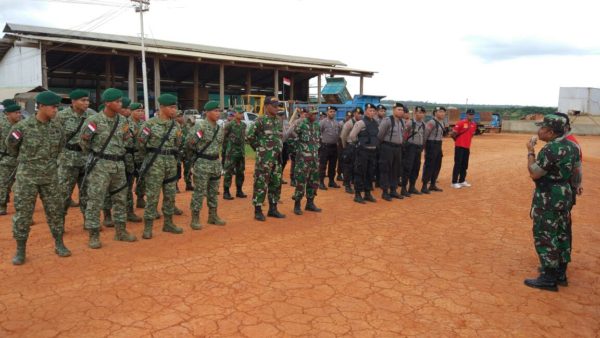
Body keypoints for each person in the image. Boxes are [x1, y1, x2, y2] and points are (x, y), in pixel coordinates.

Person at [6, 91, 71, 264]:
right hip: (27, 177)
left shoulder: (57, 127)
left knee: (55, 211)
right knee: (24, 214)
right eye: (53, 106)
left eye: (57, 107)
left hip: (50, 176)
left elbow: (60, 147)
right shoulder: (22, 127)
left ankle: (59, 243)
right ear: (41, 106)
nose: (56, 110)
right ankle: (20, 250)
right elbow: (12, 147)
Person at [524, 114, 582, 291]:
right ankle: (560, 273)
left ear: (550, 131)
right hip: (565, 193)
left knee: (545, 233)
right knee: (562, 231)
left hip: (549, 195)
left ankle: (548, 277)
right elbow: (576, 172)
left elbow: (535, 173)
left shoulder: (550, 149)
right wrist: (574, 189)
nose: (538, 130)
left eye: (541, 128)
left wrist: (530, 151)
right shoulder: (573, 146)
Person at [79, 88, 137, 248]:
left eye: (120, 101)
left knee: (120, 199)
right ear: (107, 103)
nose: (120, 104)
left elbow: (127, 140)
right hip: (100, 165)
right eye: (117, 101)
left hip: (119, 165)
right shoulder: (94, 121)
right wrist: (98, 155)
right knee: (95, 200)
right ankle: (94, 235)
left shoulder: (123, 121)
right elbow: (84, 142)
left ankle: (121, 231)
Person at [137, 93, 184, 239]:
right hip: (155, 162)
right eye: (171, 107)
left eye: (175, 107)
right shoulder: (149, 124)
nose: (174, 110)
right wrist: (152, 156)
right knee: (153, 195)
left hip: (170, 161)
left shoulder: (176, 125)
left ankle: (168, 223)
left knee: (170, 194)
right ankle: (148, 227)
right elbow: (140, 144)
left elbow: (178, 143)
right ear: (162, 107)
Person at [56, 89, 95, 217]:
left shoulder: (92, 115)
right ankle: (59, 222)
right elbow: (54, 137)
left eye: (88, 100)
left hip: (87, 159)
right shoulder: (61, 116)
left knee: (88, 192)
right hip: (68, 159)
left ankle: (89, 221)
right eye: (83, 100)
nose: (86, 103)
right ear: (73, 102)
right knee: (63, 193)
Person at [188, 101, 226, 229]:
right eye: (215, 111)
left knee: (213, 191)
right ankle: (195, 218)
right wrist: (196, 159)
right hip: (203, 163)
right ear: (207, 112)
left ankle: (213, 216)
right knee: (199, 191)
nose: (218, 113)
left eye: (219, 111)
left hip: (215, 163)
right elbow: (190, 144)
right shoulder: (200, 127)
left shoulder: (220, 129)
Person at [247, 96, 285, 221]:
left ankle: (273, 209)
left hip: (277, 158)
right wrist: (259, 149)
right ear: (267, 106)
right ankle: (258, 210)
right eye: (274, 105)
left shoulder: (278, 120)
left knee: (276, 183)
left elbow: (280, 137)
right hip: (264, 160)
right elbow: (249, 136)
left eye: (277, 105)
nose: (276, 108)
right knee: (261, 183)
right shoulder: (260, 120)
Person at [289, 108, 322, 215]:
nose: (315, 116)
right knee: (301, 181)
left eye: (316, 114)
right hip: (303, 159)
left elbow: (318, 140)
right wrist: (297, 150)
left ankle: (310, 203)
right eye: (313, 114)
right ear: (308, 114)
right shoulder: (301, 124)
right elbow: (291, 137)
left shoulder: (317, 125)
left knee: (313, 181)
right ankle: (297, 205)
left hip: (314, 158)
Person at [348, 103, 379, 203]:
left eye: (374, 111)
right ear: (365, 111)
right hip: (363, 151)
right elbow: (352, 136)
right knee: (360, 172)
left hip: (372, 151)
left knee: (370, 173)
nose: (372, 113)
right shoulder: (361, 123)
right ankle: (357, 194)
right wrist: (358, 144)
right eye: (370, 111)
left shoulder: (375, 122)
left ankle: (367, 193)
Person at [377, 102, 405, 201]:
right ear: (393, 110)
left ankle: (393, 190)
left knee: (396, 170)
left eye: (402, 110)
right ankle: (385, 192)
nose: (401, 112)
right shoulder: (387, 121)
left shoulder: (402, 122)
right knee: (386, 169)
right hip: (387, 148)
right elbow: (380, 135)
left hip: (398, 149)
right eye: (399, 109)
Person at [0, 103, 21, 215]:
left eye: (19, 112)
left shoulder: (22, 125)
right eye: (16, 113)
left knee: (21, 186)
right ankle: (2, 205)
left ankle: (22, 211)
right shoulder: (2, 125)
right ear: (8, 114)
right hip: (5, 160)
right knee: (3, 184)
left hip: (20, 161)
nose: (19, 115)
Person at [222, 106, 247, 200]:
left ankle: (239, 191)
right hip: (231, 153)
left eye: (242, 113)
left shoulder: (243, 125)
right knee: (228, 172)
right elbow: (224, 138)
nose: (241, 115)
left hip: (241, 152)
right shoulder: (229, 125)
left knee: (240, 172)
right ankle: (226, 191)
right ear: (235, 113)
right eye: (239, 113)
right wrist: (225, 151)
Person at [401, 106, 426, 197]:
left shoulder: (423, 124)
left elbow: (424, 137)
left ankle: (412, 187)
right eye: (418, 112)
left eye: (422, 113)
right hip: (410, 148)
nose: (420, 114)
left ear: (424, 114)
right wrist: (404, 146)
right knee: (407, 168)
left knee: (416, 168)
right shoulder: (410, 123)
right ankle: (403, 188)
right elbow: (404, 135)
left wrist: (422, 147)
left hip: (418, 148)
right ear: (415, 113)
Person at [421, 106, 446, 193]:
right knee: (429, 165)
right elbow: (425, 135)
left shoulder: (442, 122)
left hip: (438, 144)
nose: (442, 113)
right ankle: (424, 186)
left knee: (437, 165)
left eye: (443, 112)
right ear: (435, 113)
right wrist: (424, 147)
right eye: (440, 112)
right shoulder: (432, 122)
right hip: (431, 144)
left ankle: (432, 184)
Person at [450, 109, 477, 189]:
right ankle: (454, 182)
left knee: (465, 165)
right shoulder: (461, 123)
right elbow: (453, 134)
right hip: (459, 147)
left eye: (472, 114)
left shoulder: (474, 124)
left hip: (467, 147)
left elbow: (471, 135)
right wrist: (457, 141)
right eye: (469, 114)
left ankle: (462, 180)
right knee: (458, 164)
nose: (470, 116)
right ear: (466, 114)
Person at [340, 108, 362, 194]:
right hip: (350, 146)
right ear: (354, 114)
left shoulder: (360, 123)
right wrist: (345, 147)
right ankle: (347, 185)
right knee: (348, 167)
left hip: (357, 147)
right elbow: (343, 136)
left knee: (355, 166)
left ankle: (352, 182)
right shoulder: (348, 124)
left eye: (360, 114)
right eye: (358, 113)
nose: (359, 115)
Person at [318, 106, 341, 190]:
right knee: (323, 165)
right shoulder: (322, 122)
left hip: (334, 146)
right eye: (331, 111)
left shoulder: (336, 123)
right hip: (325, 146)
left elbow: (339, 133)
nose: (332, 113)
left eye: (334, 112)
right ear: (327, 112)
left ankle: (331, 181)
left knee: (333, 165)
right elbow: (318, 133)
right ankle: (321, 182)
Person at [129, 103, 147, 207]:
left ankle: (140, 198)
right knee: (129, 180)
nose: (140, 113)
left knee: (142, 179)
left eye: (142, 111)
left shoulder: (144, 124)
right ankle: (129, 203)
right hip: (130, 156)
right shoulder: (126, 123)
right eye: (138, 111)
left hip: (141, 155)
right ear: (131, 111)